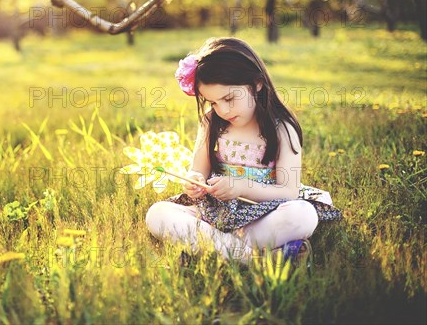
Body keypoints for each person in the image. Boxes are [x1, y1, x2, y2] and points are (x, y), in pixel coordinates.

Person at [145, 37, 342, 265]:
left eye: (229, 98)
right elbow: (197, 171)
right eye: (213, 102)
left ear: (257, 83)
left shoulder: (282, 128)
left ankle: (210, 249)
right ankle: (256, 259)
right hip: (215, 213)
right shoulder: (211, 123)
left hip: (265, 213)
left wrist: (241, 187)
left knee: (303, 215)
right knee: (157, 214)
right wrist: (194, 182)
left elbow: (288, 191)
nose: (223, 110)